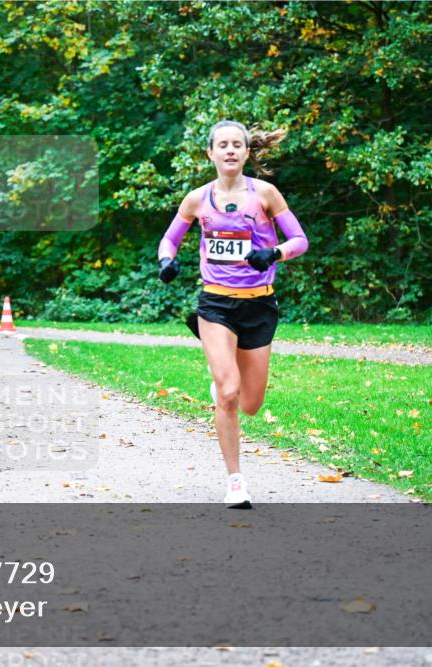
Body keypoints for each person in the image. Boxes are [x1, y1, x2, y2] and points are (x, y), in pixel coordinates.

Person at [157, 120, 308, 508]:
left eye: (236, 145)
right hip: (216, 303)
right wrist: (166, 262)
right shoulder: (197, 199)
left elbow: (299, 240)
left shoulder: (265, 195)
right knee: (228, 392)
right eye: (222, 144)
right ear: (210, 153)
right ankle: (235, 481)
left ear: (245, 153)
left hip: (258, 304)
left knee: (250, 403)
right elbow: (170, 239)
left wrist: (273, 253)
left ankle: (228, 392)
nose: (229, 150)